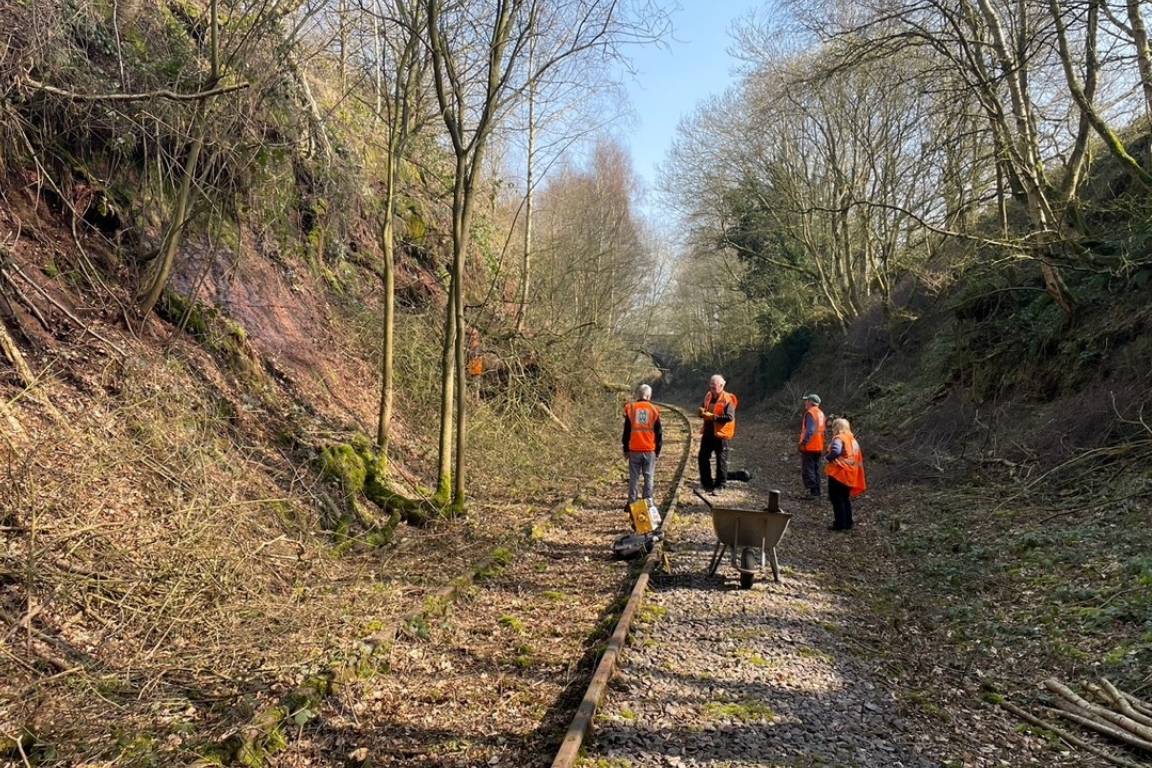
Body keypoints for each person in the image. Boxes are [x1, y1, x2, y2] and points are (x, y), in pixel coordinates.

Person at [622, 384, 662, 505]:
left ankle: (632, 502)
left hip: (634, 449)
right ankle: (648, 502)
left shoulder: (631, 408)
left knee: (634, 478)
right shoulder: (654, 410)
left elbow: (626, 432)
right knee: (648, 477)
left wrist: (625, 449)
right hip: (649, 450)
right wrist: (658, 451)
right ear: (649, 396)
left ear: (638, 395)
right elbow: (659, 433)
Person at [698, 374, 738, 494]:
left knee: (721, 461)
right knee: (703, 458)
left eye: (714, 387)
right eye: (711, 386)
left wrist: (713, 417)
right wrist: (701, 411)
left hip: (721, 435)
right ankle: (707, 484)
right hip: (708, 433)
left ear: (721, 386)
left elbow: (729, 417)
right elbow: (703, 407)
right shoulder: (708, 396)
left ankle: (720, 485)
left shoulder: (727, 399)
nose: (712, 389)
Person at [825, 418, 867, 531]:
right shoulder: (852, 440)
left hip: (839, 474)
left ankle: (840, 524)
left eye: (834, 427)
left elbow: (836, 451)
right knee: (845, 499)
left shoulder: (839, 438)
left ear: (837, 427)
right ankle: (848, 523)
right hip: (850, 474)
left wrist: (828, 458)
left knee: (837, 500)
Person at [798, 393, 826, 500]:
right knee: (816, 469)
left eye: (806, 401)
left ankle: (812, 493)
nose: (805, 403)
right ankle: (816, 492)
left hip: (810, 446)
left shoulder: (810, 413)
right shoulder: (821, 413)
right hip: (819, 445)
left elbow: (810, 430)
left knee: (808, 469)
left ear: (810, 402)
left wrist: (803, 443)